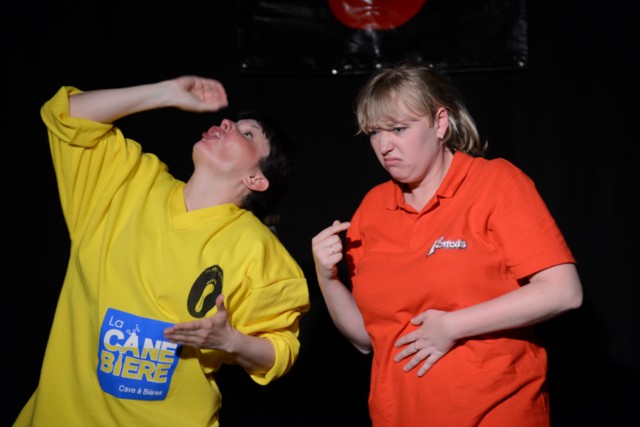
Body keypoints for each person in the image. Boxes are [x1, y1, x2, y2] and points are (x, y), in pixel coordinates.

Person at [14, 76, 310, 427]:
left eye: (248, 134)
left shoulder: (256, 249)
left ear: (256, 180)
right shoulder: (128, 183)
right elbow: (66, 113)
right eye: (233, 122)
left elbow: (280, 351)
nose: (227, 123)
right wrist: (165, 93)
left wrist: (231, 340)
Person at [311, 60, 583, 426]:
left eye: (398, 128)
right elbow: (366, 338)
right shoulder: (372, 208)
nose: (384, 146)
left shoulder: (496, 183)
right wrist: (328, 280)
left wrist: (454, 325)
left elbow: (564, 292)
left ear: (440, 123)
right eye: (374, 132)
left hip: (494, 412)